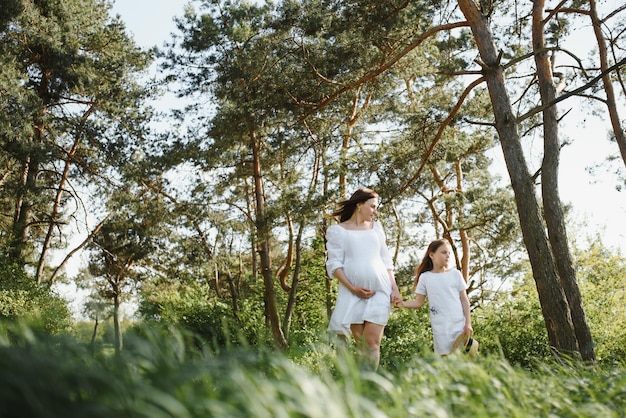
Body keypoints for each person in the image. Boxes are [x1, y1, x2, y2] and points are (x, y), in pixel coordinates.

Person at [325, 187, 402, 369]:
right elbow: (334, 265)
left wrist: (395, 288)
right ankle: (359, 389)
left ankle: (369, 386)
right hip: (353, 295)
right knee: (361, 346)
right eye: (372, 207)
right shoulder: (338, 231)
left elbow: (386, 260)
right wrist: (353, 289)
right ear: (359, 205)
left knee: (372, 343)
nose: (375, 211)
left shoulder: (377, 229)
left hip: (380, 291)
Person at [399, 238, 473, 356]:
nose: (448, 256)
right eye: (443, 252)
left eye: (449, 253)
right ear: (432, 255)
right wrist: (402, 303)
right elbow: (418, 302)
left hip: (459, 326)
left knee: (463, 360)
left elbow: (464, 300)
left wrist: (468, 323)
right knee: (444, 360)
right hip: (440, 328)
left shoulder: (455, 274)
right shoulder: (425, 277)